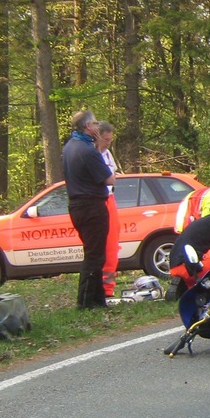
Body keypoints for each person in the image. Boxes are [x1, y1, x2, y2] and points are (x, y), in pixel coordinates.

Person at [62, 109, 115, 310]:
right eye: (94, 124)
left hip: (77, 205)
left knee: (94, 252)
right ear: (86, 127)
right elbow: (109, 178)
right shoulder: (87, 151)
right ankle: (84, 302)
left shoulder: (69, 146)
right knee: (94, 255)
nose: (97, 127)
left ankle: (97, 300)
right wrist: (104, 157)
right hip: (91, 206)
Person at [96, 121, 121, 300]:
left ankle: (108, 289)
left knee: (112, 246)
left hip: (109, 198)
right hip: (100, 200)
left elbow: (112, 175)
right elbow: (106, 178)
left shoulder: (107, 153)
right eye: (106, 140)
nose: (108, 143)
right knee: (104, 247)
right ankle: (104, 289)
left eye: (110, 140)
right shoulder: (92, 154)